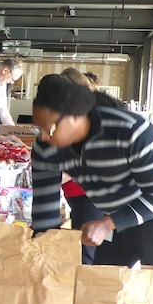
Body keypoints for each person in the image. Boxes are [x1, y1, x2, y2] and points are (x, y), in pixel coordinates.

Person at [32, 74, 153, 268]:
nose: (44, 137)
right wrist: (43, 252)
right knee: (103, 277)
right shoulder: (45, 147)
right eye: (39, 128)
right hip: (117, 209)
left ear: (75, 116)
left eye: (51, 128)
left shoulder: (131, 131)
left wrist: (107, 223)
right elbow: (44, 210)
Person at [54, 68, 107, 265]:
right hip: (77, 193)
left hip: (88, 194)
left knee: (86, 252)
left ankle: (86, 291)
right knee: (81, 245)